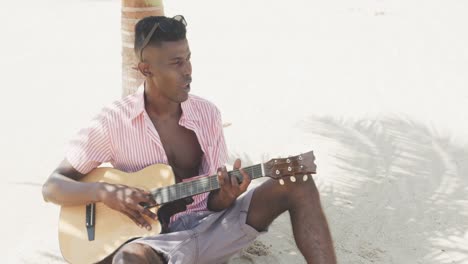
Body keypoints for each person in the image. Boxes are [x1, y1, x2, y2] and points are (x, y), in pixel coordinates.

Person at [42, 15, 336, 264]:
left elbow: (214, 201)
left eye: (188, 59)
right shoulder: (113, 122)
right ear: (147, 70)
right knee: (129, 259)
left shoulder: (207, 114)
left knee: (298, 183)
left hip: (213, 227)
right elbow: (53, 186)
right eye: (176, 63)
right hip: (155, 241)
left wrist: (227, 195)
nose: (188, 71)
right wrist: (105, 193)